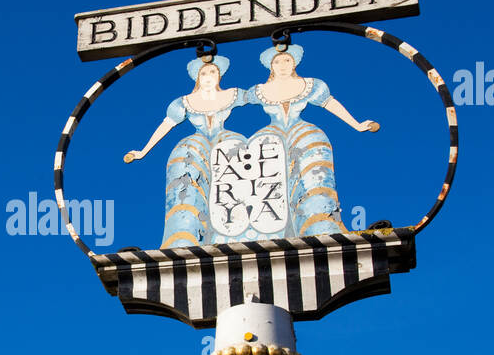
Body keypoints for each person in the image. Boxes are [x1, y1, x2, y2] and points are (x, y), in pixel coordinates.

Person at [245, 45, 379, 236]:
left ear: (294, 63)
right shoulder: (257, 91)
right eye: (277, 61)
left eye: (287, 60)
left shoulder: (311, 85)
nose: (282, 65)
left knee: (314, 180)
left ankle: (322, 225)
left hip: (304, 135)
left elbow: (330, 103)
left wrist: (357, 125)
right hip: (270, 139)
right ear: (270, 66)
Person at [123, 56, 248, 247]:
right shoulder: (184, 102)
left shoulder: (233, 94)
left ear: (220, 75)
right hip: (195, 145)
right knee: (185, 175)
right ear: (197, 77)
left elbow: (263, 96)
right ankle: (183, 236)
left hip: (226, 141)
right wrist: (143, 151)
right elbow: (167, 124)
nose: (208, 76)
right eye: (204, 73)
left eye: (213, 72)